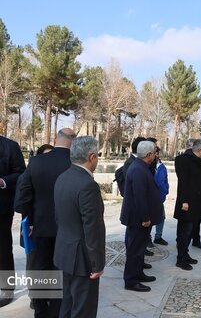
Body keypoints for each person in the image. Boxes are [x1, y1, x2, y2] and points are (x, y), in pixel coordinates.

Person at [17, 128, 75, 317]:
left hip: (40, 226)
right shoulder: (75, 163)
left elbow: (24, 195)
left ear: (55, 139)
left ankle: (40, 310)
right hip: (67, 228)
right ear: (72, 142)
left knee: (41, 270)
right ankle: (57, 312)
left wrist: (30, 221)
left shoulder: (36, 161)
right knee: (62, 271)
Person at [54, 136, 105, 317]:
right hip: (82, 260)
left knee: (67, 305)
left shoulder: (62, 177)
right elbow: (92, 228)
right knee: (83, 309)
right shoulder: (87, 185)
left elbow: (59, 218)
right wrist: (97, 263)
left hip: (64, 252)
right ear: (91, 157)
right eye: (97, 155)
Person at [120, 141, 163, 292]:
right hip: (138, 219)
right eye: (154, 153)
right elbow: (139, 197)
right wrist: (145, 218)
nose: (155, 155)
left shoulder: (141, 166)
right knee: (134, 251)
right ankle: (131, 281)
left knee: (139, 249)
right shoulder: (138, 169)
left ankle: (138, 274)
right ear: (149, 155)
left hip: (140, 218)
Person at [0, 135, 26, 307]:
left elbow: (21, 173)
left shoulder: (10, 146)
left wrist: (3, 181)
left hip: (1, 208)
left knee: (2, 248)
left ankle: (6, 289)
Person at [174, 139, 201, 270]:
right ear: (199, 150)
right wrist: (184, 201)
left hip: (196, 203)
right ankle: (180, 259)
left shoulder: (199, 161)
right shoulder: (183, 160)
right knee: (184, 232)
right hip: (186, 203)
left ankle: (185, 254)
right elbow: (183, 182)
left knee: (190, 231)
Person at [153, 146, 169, 246]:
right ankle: (148, 239)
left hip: (160, 198)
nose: (157, 155)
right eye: (155, 153)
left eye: (158, 153)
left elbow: (165, 181)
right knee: (150, 219)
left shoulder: (162, 167)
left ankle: (158, 237)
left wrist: (166, 190)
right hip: (151, 198)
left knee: (161, 217)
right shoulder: (148, 166)